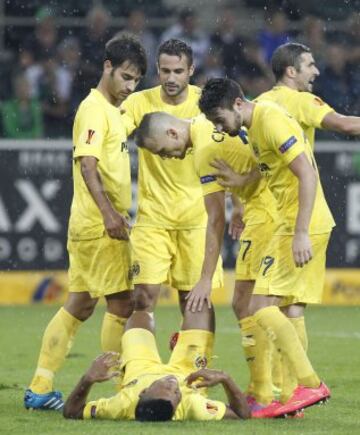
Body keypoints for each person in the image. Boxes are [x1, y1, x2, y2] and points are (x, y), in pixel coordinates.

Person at [218, 42, 360, 406]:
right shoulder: (296, 101)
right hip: (289, 215)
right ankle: (288, 390)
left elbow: (259, 164)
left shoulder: (260, 103)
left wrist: (239, 199)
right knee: (283, 307)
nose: (316, 72)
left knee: (264, 305)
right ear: (291, 71)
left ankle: (283, 392)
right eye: (310, 65)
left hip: (283, 214)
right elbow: (346, 125)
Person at [24, 34, 147, 411]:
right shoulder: (94, 109)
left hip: (89, 225)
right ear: (107, 67)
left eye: (136, 81)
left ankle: (41, 387)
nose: (129, 86)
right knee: (122, 304)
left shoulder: (112, 110)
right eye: (125, 77)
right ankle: (120, 385)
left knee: (79, 305)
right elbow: (87, 163)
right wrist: (110, 213)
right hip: (99, 226)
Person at [198, 77, 333, 417]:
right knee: (285, 309)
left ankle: (309, 382)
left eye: (219, 119)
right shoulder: (255, 126)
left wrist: (301, 232)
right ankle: (293, 397)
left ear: (238, 104)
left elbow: (307, 174)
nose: (219, 127)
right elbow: (268, 167)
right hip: (290, 224)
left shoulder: (270, 119)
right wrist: (244, 183)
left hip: (298, 225)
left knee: (259, 305)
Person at [134, 112, 285, 417]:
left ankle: (282, 392)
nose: (167, 158)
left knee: (264, 306)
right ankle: (266, 391)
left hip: (272, 215)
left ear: (174, 133)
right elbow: (260, 156)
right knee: (248, 303)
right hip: (265, 212)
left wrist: (205, 278)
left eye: (163, 150)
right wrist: (242, 191)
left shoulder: (202, 149)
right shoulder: (207, 123)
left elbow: (215, 219)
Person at [121, 39, 222, 318]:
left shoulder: (207, 104)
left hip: (196, 220)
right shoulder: (138, 103)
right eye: (165, 71)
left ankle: (195, 362)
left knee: (195, 301)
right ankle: (142, 361)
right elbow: (112, 133)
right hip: (153, 217)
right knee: (142, 298)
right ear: (157, 69)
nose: (170, 78)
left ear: (191, 70)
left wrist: (237, 204)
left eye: (178, 71)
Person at [63, 304, 252, 421]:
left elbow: (72, 411)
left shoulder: (121, 405)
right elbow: (242, 414)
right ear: (178, 404)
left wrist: (87, 379)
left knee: (141, 307)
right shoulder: (194, 407)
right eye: (177, 393)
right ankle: (183, 345)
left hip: (139, 369)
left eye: (164, 386)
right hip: (189, 373)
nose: (172, 383)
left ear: (143, 392)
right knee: (200, 304)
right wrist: (225, 378)